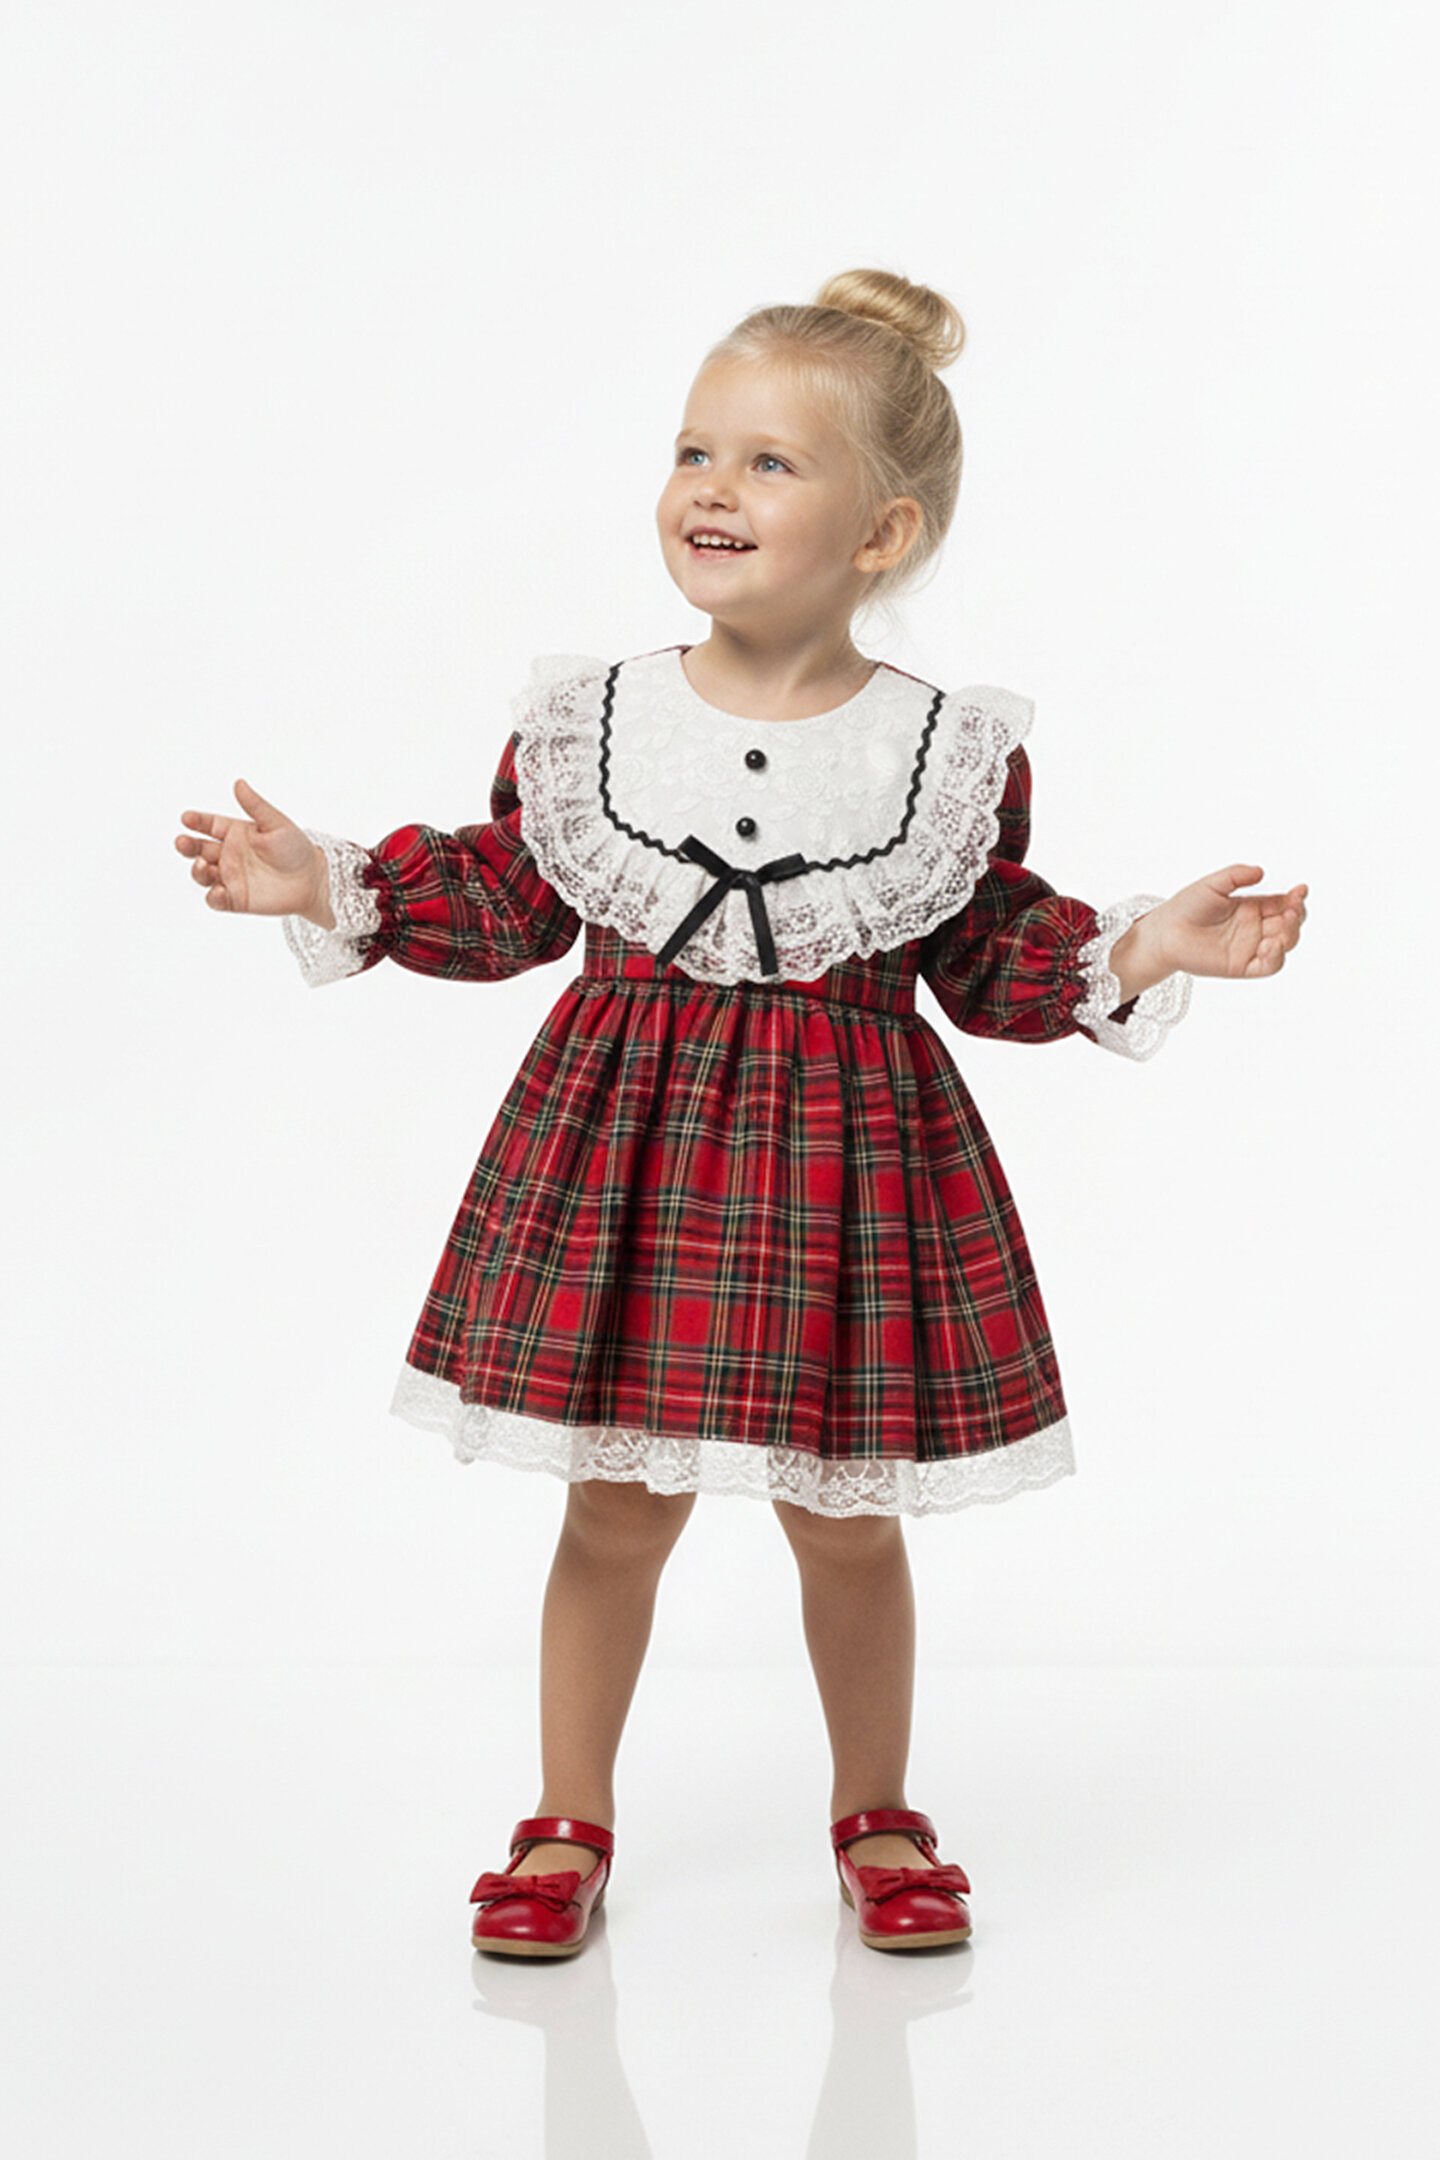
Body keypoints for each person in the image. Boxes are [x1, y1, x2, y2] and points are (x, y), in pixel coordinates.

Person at [175, 269, 1307, 1961]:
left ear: (881, 533)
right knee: (611, 1509)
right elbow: (511, 899)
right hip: (623, 1162)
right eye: (695, 450)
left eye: (771, 462)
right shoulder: (591, 725)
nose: (713, 486)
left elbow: (989, 953)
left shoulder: (941, 753)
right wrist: (329, 881)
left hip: (846, 1175)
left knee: (845, 1517)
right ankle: (566, 1818)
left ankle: (879, 1814)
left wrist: (1143, 947)